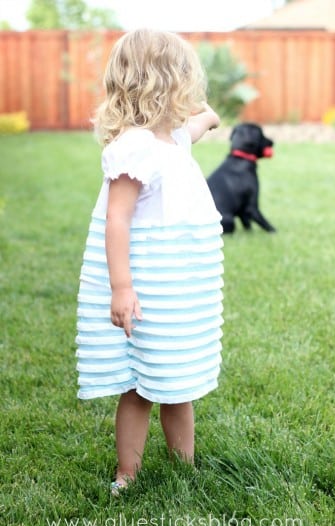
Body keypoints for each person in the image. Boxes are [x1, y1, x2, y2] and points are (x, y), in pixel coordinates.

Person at [75, 28, 224, 496]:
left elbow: (206, 119)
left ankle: (184, 468)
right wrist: (121, 287)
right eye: (184, 75)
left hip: (179, 287)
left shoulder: (175, 139)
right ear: (167, 82)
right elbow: (117, 220)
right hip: (145, 286)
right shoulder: (135, 147)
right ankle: (128, 473)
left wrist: (205, 115)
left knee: (178, 380)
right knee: (139, 384)